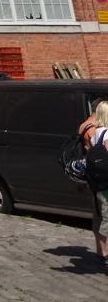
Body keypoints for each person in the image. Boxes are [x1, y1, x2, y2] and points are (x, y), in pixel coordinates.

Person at [80, 99, 108, 262]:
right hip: (106, 183)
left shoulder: (96, 132)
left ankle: (101, 252)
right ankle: (105, 254)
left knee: (99, 215)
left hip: (97, 181)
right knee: (106, 217)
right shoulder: (107, 133)